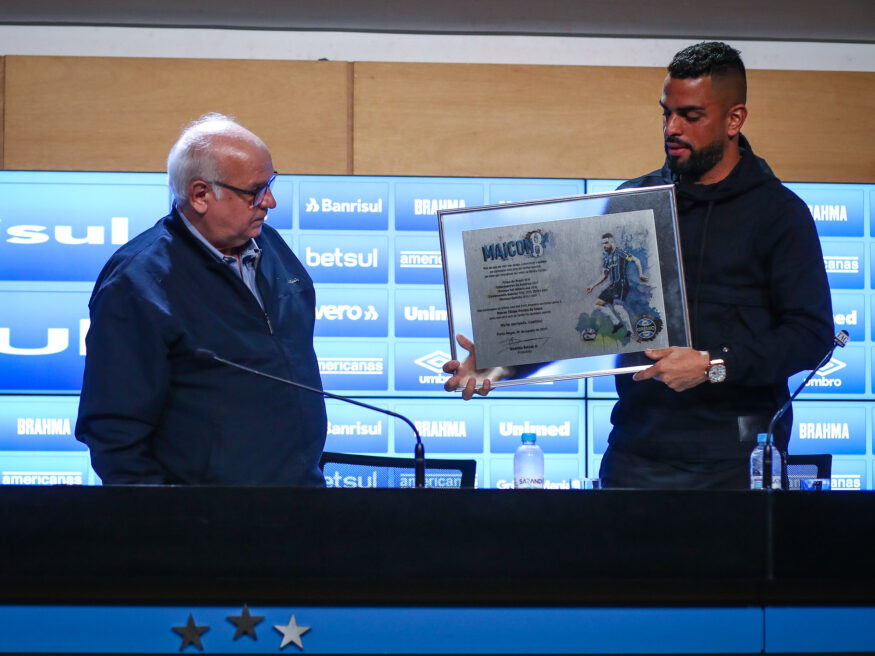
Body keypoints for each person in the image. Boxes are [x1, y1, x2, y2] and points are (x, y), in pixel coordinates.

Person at [443, 42, 833, 489]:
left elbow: (810, 335)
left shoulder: (779, 213)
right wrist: (502, 360)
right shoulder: (635, 200)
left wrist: (711, 365)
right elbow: (582, 316)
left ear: (734, 119)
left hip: (735, 461)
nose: (672, 128)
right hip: (636, 452)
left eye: (691, 116)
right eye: (666, 113)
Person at [76, 113, 326, 485]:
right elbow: (115, 432)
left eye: (271, 183)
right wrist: (167, 526)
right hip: (205, 523)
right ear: (200, 194)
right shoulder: (139, 283)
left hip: (298, 502)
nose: (269, 201)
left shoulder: (270, 245)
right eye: (255, 191)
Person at [586, 232, 649, 337]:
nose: (604, 245)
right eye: (602, 243)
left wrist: (641, 274)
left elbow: (636, 260)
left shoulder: (620, 253)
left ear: (612, 241)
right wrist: (592, 286)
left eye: (606, 243)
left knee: (618, 308)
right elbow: (604, 275)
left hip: (622, 284)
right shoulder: (607, 258)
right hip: (613, 286)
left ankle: (631, 333)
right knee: (596, 305)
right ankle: (616, 322)